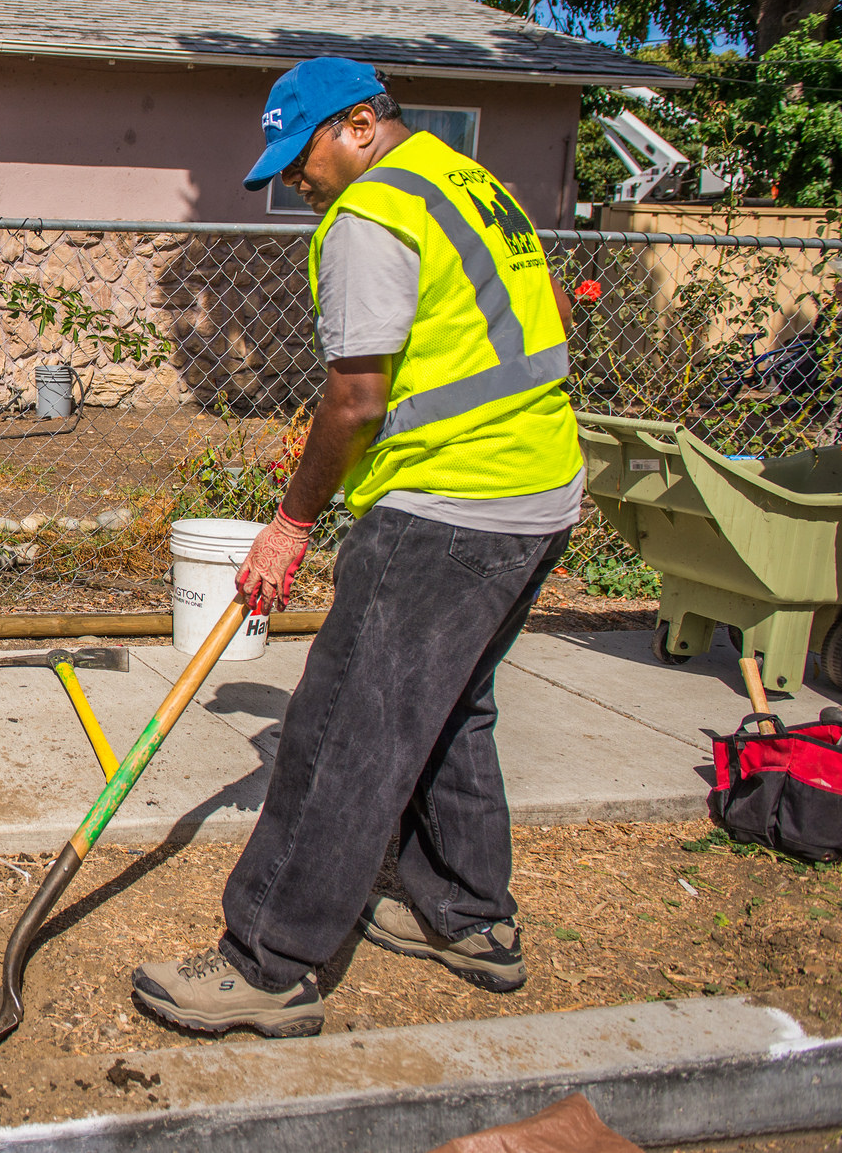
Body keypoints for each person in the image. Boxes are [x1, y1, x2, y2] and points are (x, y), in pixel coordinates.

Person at [130, 57, 583, 1038]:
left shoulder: (371, 213)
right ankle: (467, 919)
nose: (295, 181)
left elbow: (354, 396)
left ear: (361, 124)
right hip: (536, 485)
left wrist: (289, 523)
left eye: (303, 156)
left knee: (341, 729)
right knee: (451, 709)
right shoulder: (469, 184)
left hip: (447, 501)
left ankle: (267, 962)